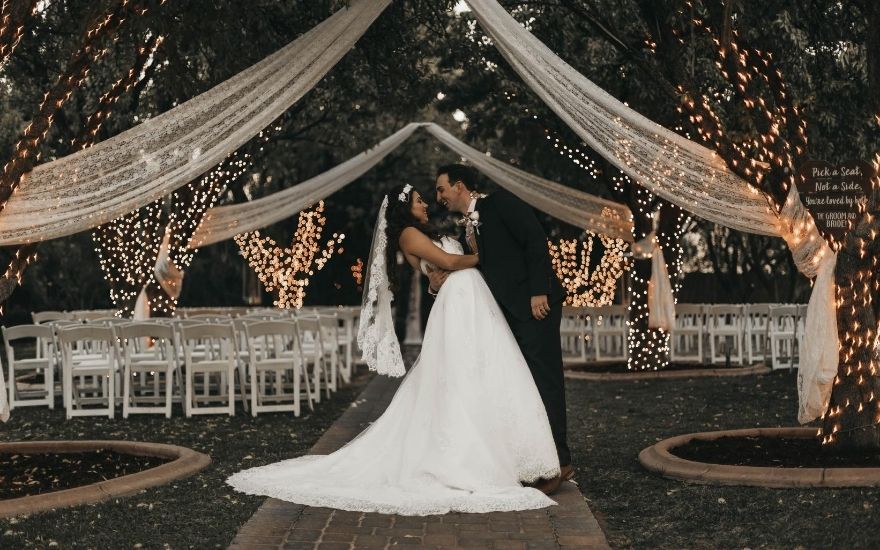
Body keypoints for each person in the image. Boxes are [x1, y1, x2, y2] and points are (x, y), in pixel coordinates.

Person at [226, 183, 560, 515]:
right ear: (405, 208)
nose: (426, 203)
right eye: (419, 200)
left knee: (487, 371)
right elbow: (447, 261)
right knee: (461, 376)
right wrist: (491, 256)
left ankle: (510, 453)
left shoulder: (430, 230)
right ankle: (471, 456)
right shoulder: (408, 235)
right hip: (459, 303)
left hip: (473, 300)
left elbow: (446, 265)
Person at [432, 164, 573, 494]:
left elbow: (535, 241)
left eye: (441, 189)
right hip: (507, 313)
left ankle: (562, 461)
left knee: (545, 380)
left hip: (535, 306)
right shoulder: (468, 225)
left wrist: (539, 290)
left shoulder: (500, 203)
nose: (438, 196)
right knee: (524, 385)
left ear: (460, 186)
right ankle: (537, 459)